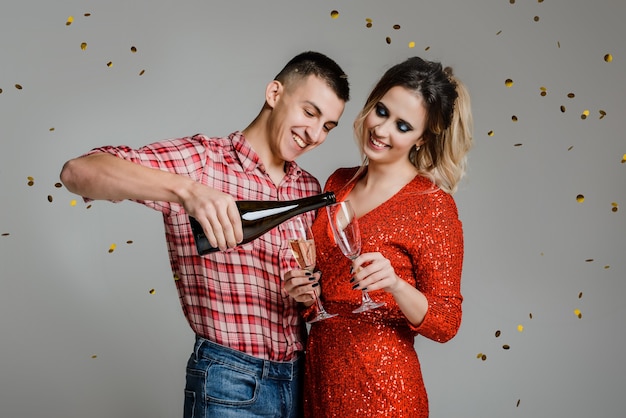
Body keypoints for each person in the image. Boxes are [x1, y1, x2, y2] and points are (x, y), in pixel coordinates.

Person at [60, 51, 350, 418]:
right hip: (228, 383)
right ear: (275, 93)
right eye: (310, 112)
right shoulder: (202, 162)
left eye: (327, 126)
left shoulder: (307, 188)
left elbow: (310, 294)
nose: (314, 134)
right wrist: (187, 191)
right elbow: (78, 172)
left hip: (302, 381)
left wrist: (307, 291)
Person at [283, 56, 473, 417]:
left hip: (384, 389)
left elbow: (447, 323)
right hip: (319, 380)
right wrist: (304, 291)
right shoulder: (337, 182)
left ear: (421, 138)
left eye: (403, 126)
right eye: (382, 112)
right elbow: (328, 294)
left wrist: (397, 285)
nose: (382, 130)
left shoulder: (432, 206)